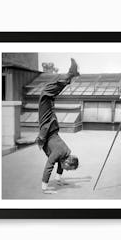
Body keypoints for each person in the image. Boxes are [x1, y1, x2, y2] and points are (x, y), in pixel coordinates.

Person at [35, 58, 80, 194]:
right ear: (67, 162)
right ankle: (70, 75)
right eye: (68, 169)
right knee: (46, 94)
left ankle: (70, 76)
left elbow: (60, 165)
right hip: (48, 125)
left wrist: (59, 179)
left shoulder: (66, 154)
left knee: (49, 95)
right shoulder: (60, 153)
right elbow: (49, 166)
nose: (65, 169)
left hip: (51, 125)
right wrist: (45, 188)